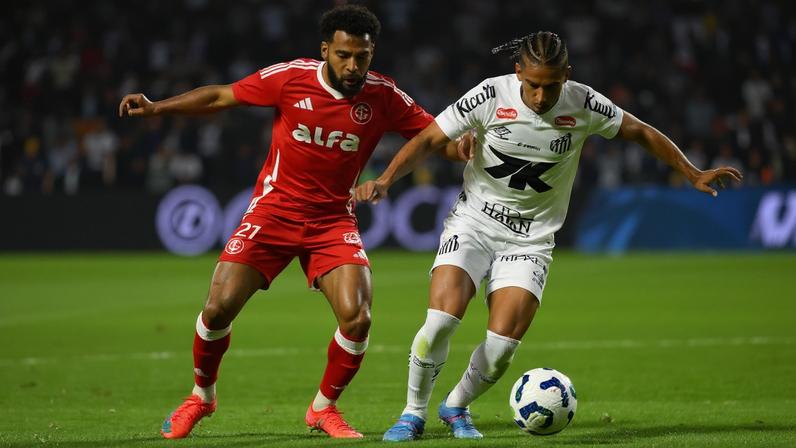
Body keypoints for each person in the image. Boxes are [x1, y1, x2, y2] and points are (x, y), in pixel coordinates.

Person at [355, 31, 743, 441]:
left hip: (531, 239)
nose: (541, 96)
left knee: (502, 347)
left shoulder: (584, 102)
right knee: (441, 319)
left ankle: (456, 405)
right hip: (473, 223)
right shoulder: (489, 95)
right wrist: (385, 179)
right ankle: (412, 413)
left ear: (567, 76)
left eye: (552, 85)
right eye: (534, 84)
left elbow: (640, 131)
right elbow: (432, 138)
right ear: (517, 71)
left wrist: (692, 172)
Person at [119, 5, 464, 439]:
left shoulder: (385, 95)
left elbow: (434, 136)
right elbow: (221, 96)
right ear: (325, 50)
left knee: (357, 318)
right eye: (343, 55)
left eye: (362, 56)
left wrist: (465, 147)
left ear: (372, 53)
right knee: (217, 307)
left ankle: (323, 408)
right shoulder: (290, 77)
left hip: (332, 220)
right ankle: (201, 396)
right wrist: (156, 109)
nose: (353, 66)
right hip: (274, 211)